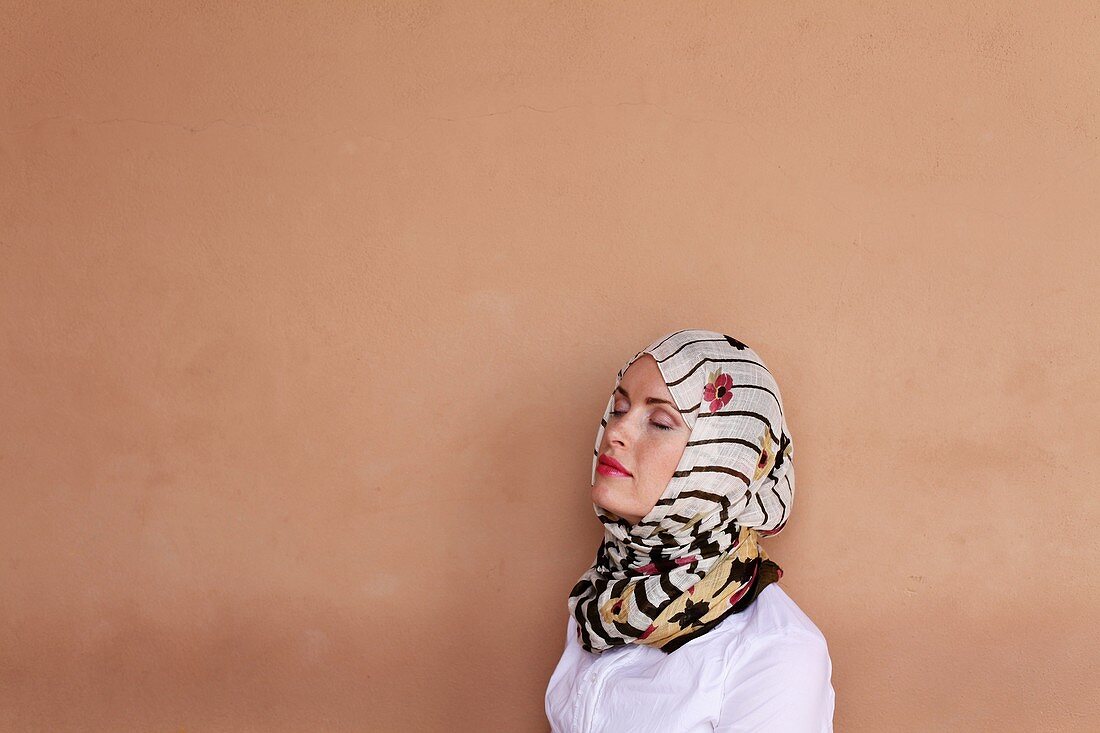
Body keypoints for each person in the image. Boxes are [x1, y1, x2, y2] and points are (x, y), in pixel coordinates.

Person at [545, 328, 835, 732]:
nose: (616, 433)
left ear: (723, 460)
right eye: (619, 408)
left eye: (660, 422)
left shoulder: (775, 652)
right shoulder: (602, 596)